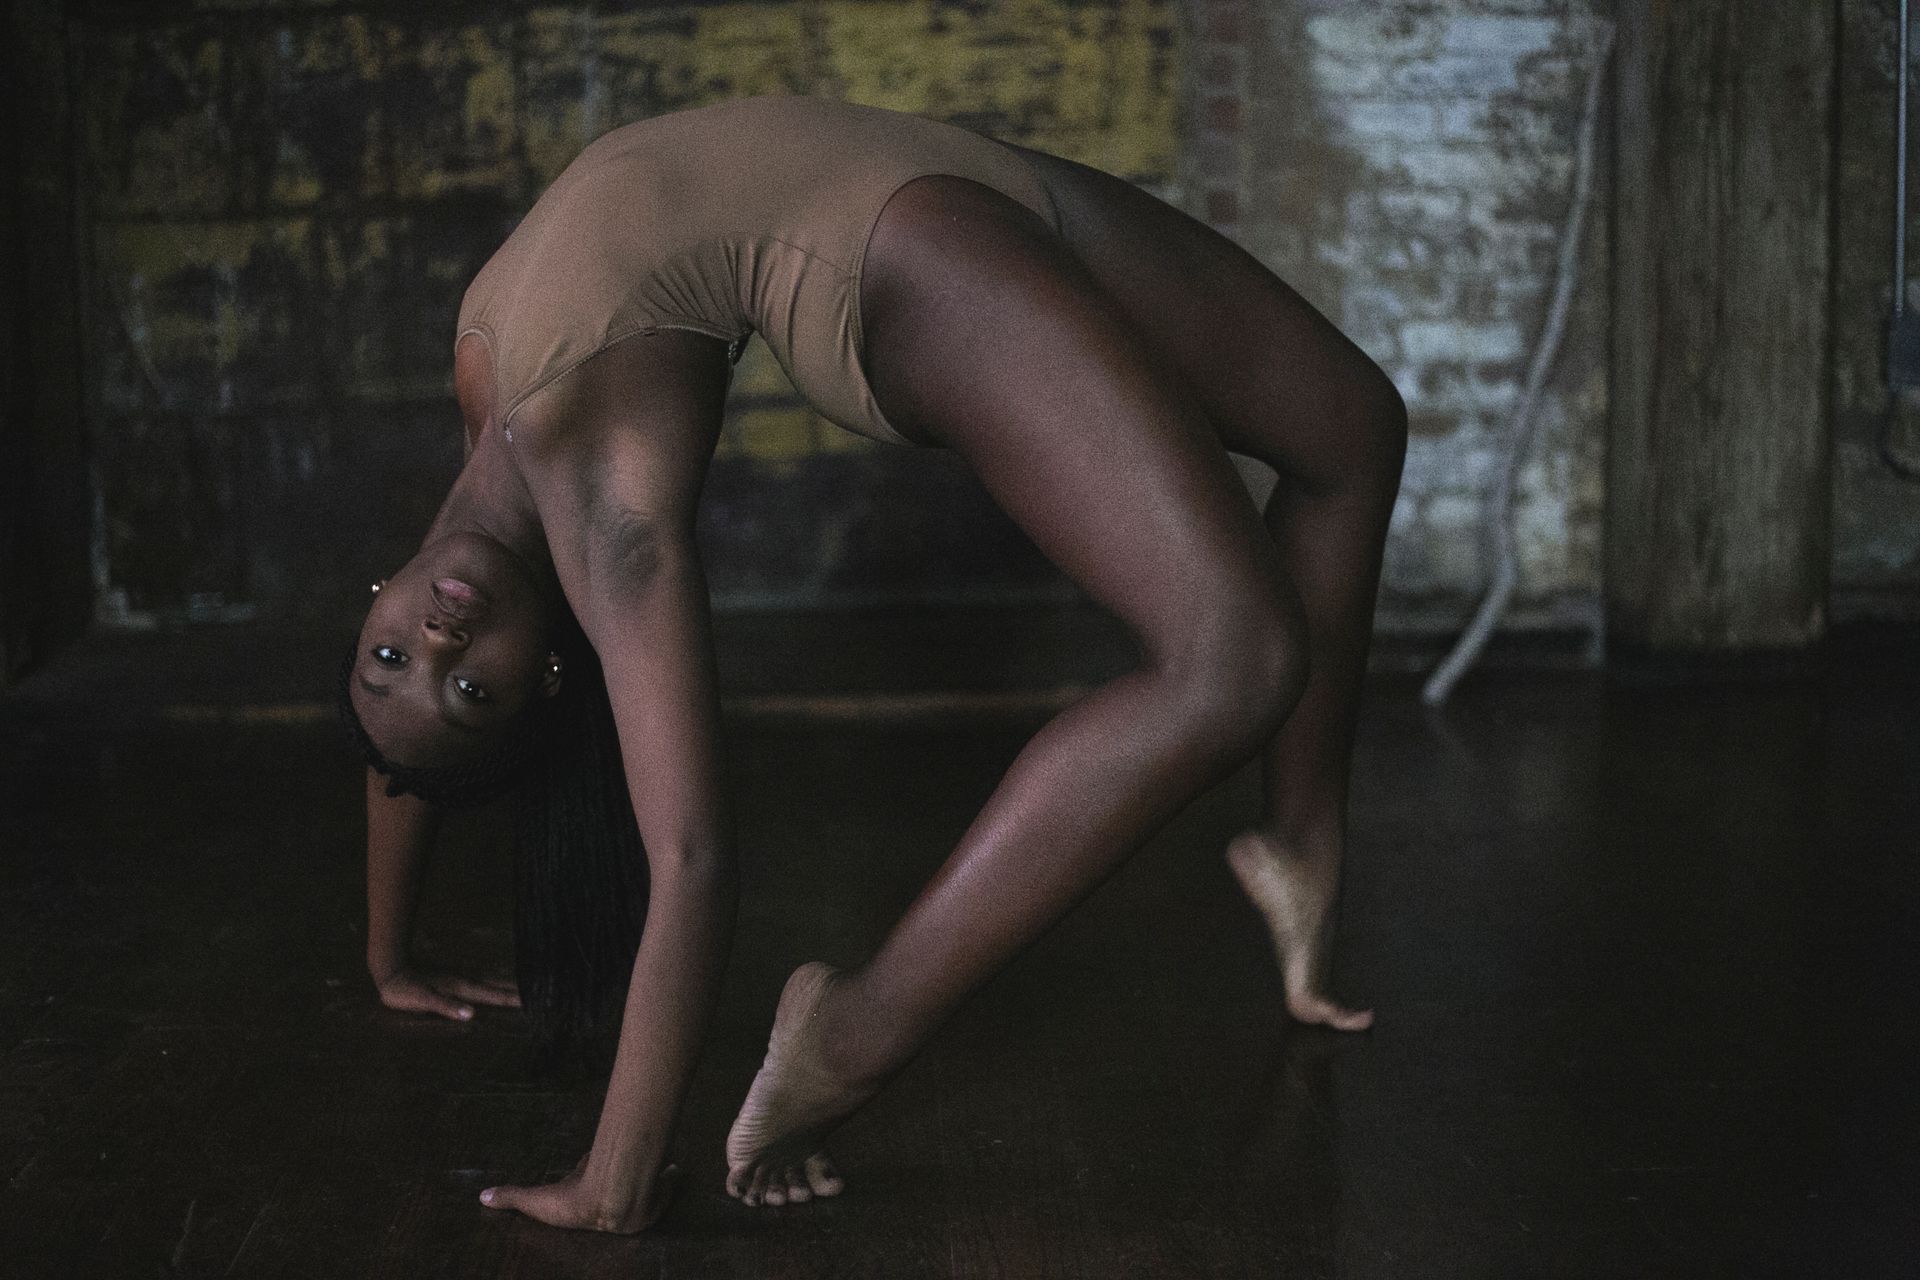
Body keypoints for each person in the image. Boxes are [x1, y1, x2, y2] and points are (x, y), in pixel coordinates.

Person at [338, 92, 1406, 1234]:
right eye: (471, 689)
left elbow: (402, 748)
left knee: (1351, 428)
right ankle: (853, 1031)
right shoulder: (602, 512)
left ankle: (1297, 839)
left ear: (373, 599)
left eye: (390, 654)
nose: (437, 644)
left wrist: (387, 954)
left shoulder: (483, 396)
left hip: (935, 167)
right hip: (897, 262)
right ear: (551, 676)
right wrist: (614, 1184)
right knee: (1237, 659)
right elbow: (689, 856)